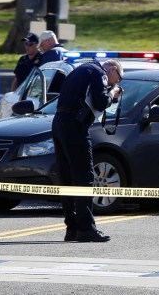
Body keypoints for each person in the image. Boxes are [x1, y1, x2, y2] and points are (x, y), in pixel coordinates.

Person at [53, 59, 123, 242]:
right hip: (75, 127)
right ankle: (86, 229)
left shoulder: (81, 70)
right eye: (117, 79)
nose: (115, 83)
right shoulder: (99, 73)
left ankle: (72, 228)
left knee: (67, 178)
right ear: (113, 69)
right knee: (84, 177)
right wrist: (113, 93)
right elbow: (100, 102)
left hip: (59, 123)